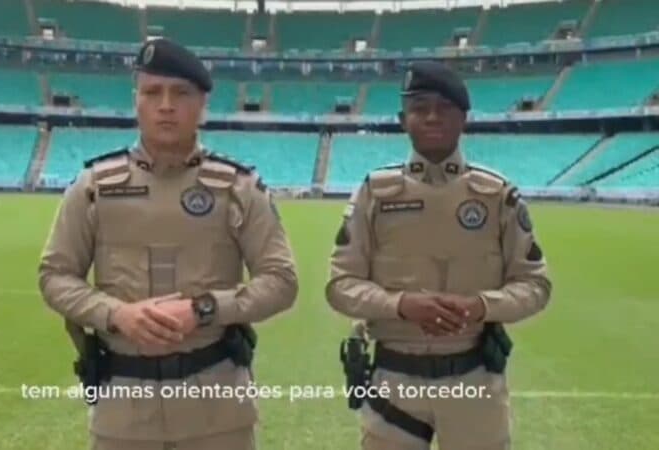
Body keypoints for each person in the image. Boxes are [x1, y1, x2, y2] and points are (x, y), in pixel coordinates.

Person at [38, 38, 298, 450]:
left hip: (217, 406)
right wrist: (116, 314)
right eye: (152, 92)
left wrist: (204, 310)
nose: (165, 105)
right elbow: (54, 276)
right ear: (136, 101)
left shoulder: (238, 188)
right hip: (123, 408)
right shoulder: (93, 187)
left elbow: (281, 281)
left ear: (202, 104)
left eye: (181, 94)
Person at [327, 61, 552, 450]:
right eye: (419, 107)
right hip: (393, 380)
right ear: (403, 119)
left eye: (444, 107)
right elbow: (340, 286)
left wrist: (480, 306)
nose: (432, 116)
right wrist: (401, 305)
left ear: (464, 118)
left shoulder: (498, 196)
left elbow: (535, 285)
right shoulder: (372, 194)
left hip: (474, 378)